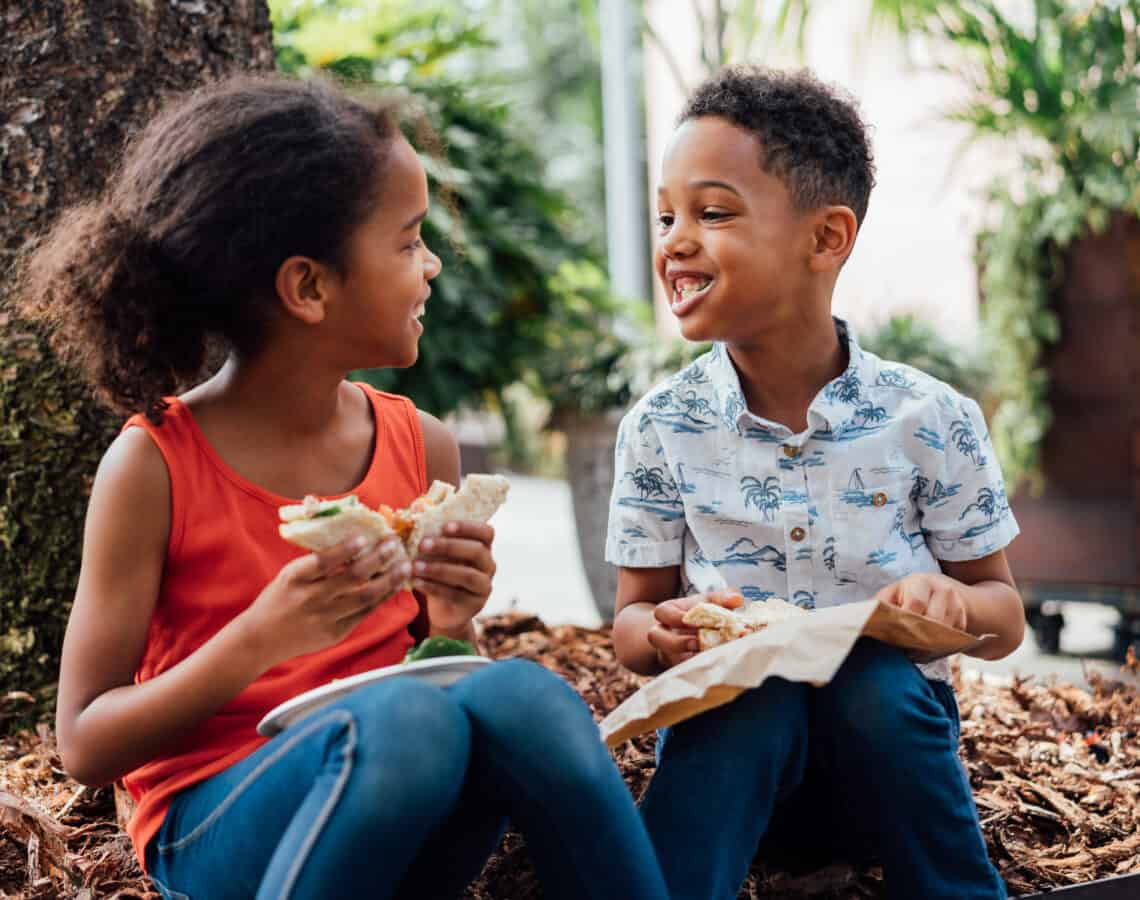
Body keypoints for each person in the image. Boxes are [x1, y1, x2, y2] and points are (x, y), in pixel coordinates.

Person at [19, 74, 669, 900]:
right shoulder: (155, 465)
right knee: (408, 726)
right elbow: (84, 741)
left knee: (519, 693)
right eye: (406, 241)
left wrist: (452, 618)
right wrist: (261, 636)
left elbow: (443, 674)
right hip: (223, 821)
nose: (431, 265)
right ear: (309, 287)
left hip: (402, 805)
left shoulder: (419, 443)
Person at [606, 64, 1024, 900]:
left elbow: (1003, 613)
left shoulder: (928, 416)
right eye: (666, 215)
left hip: (889, 775)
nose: (675, 240)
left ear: (826, 238)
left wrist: (952, 607)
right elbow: (630, 621)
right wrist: (669, 635)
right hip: (732, 774)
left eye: (712, 212)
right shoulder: (660, 426)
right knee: (745, 693)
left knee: (872, 679)